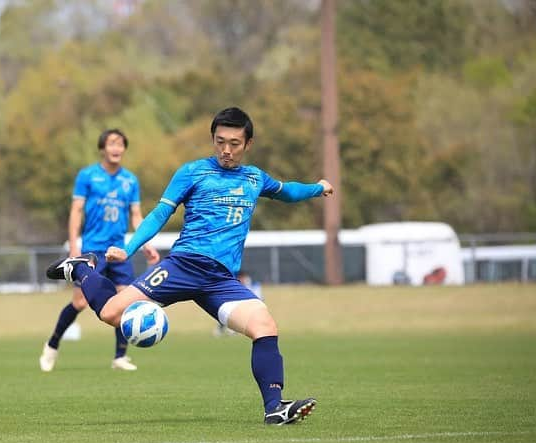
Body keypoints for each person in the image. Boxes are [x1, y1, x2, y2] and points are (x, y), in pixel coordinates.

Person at [46, 107, 333, 425]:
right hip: (183, 265)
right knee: (112, 314)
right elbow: (158, 214)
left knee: (265, 327)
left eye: (235, 143)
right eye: (220, 141)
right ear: (213, 139)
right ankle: (82, 269)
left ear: (248, 144)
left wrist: (318, 188)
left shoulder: (255, 178)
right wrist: (128, 249)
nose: (226, 149)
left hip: (220, 280)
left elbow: (289, 191)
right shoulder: (192, 172)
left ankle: (275, 407)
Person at [39, 129, 160, 372]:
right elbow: (76, 211)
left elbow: (136, 216)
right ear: (102, 148)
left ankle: (119, 357)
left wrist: (146, 243)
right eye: (111, 143)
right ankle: (52, 345)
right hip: (92, 250)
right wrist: (74, 245)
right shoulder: (88, 176)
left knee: (125, 300)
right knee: (81, 302)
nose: (116, 148)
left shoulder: (130, 180)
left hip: (119, 250)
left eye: (120, 144)